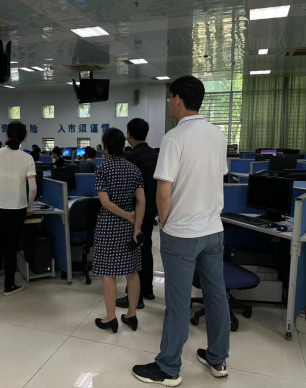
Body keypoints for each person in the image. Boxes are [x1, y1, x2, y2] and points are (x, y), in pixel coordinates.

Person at [133, 76, 230, 386]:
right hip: (213, 231)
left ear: (177, 99)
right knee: (216, 295)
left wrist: (164, 222)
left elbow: (164, 192)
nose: (168, 103)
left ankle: (168, 368)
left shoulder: (174, 137)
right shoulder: (218, 135)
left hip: (182, 233)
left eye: (169, 98)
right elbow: (218, 178)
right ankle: (218, 358)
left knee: (177, 302)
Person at [93, 128, 146, 334]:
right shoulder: (134, 169)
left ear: (106, 146)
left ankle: (110, 318)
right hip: (129, 227)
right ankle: (131, 315)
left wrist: (126, 215)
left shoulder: (103, 168)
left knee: (109, 273)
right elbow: (141, 200)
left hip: (108, 225)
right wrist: (136, 225)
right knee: (132, 271)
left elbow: (105, 202)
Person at [0, 121, 37, 296]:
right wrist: (29, 206)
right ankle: (9, 285)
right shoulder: (27, 158)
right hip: (17, 207)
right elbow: (33, 188)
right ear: (24, 137)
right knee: (11, 247)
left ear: (7, 135)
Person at [117, 118, 159, 310]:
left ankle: (135, 297)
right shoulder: (156, 155)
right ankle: (148, 289)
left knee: (134, 252)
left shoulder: (130, 158)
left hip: (135, 212)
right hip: (151, 210)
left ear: (129, 134)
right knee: (146, 247)